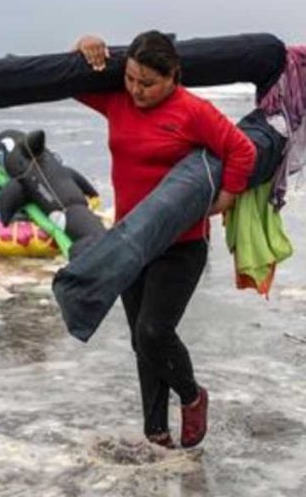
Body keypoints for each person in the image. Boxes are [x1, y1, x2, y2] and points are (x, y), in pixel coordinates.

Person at [73, 31, 257, 449]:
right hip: (130, 244)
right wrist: (82, 48)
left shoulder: (193, 111)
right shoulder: (118, 100)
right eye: (131, 78)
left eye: (148, 83)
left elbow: (241, 150)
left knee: (155, 331)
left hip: (181, 244)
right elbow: (75, 84)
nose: (136, 90)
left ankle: (192, 396)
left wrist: (226, 195)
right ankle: (155, 431)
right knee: (141, 342)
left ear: (173, 76)